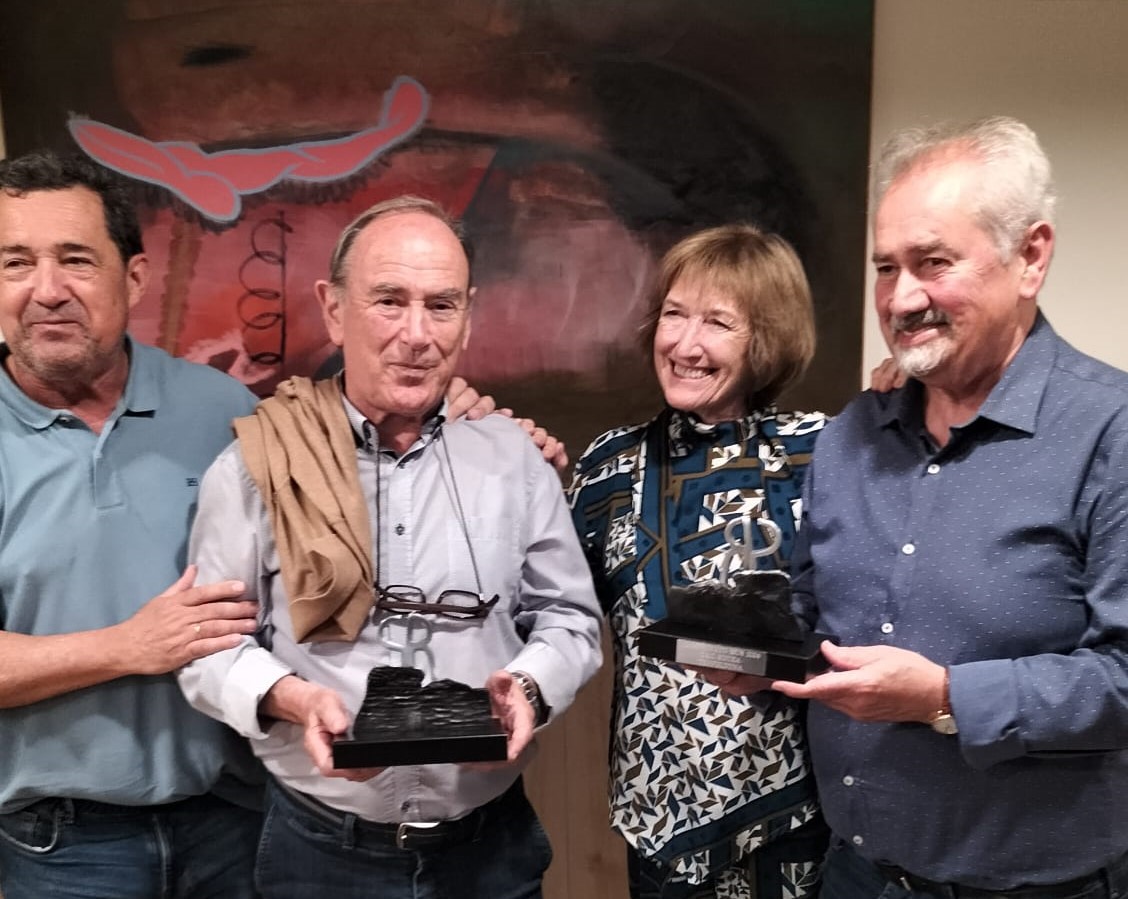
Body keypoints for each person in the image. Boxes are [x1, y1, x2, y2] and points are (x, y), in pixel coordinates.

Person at [713, 116, 1128, 897]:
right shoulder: (851, 434)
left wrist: (945, 697)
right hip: (854, 872)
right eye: (885, 267)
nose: (901, 298)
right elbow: (812, 611)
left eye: (933, 263)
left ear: (1031, 257)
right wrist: (758, 661)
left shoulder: (1112, 433)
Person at [177, 195, 603, 898]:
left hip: (490, 854)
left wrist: (529, 687)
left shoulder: (515, 459)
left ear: (468, 316)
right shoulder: (258, 466)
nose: (417, 334)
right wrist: (293, 699)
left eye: (441, 306)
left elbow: (570, 620)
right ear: (333, 308)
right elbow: (208, 648)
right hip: (320, 856)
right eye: (389, 301)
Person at [0, 151, 265, 898]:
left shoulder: (224, 409)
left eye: (76, 259)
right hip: (62, 848)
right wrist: (126, 646)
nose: (47, 290)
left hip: (234, 824)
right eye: (16, 263)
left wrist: (467, 417)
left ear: (136, 278)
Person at [567, 224, 830, 899]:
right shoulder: (607, 466)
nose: (685, 344)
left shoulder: (824, 454)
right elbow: (552, 613)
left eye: (717, 322)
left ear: (766, 338)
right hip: (656, 824)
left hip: (789, 817)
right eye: (674, 314)